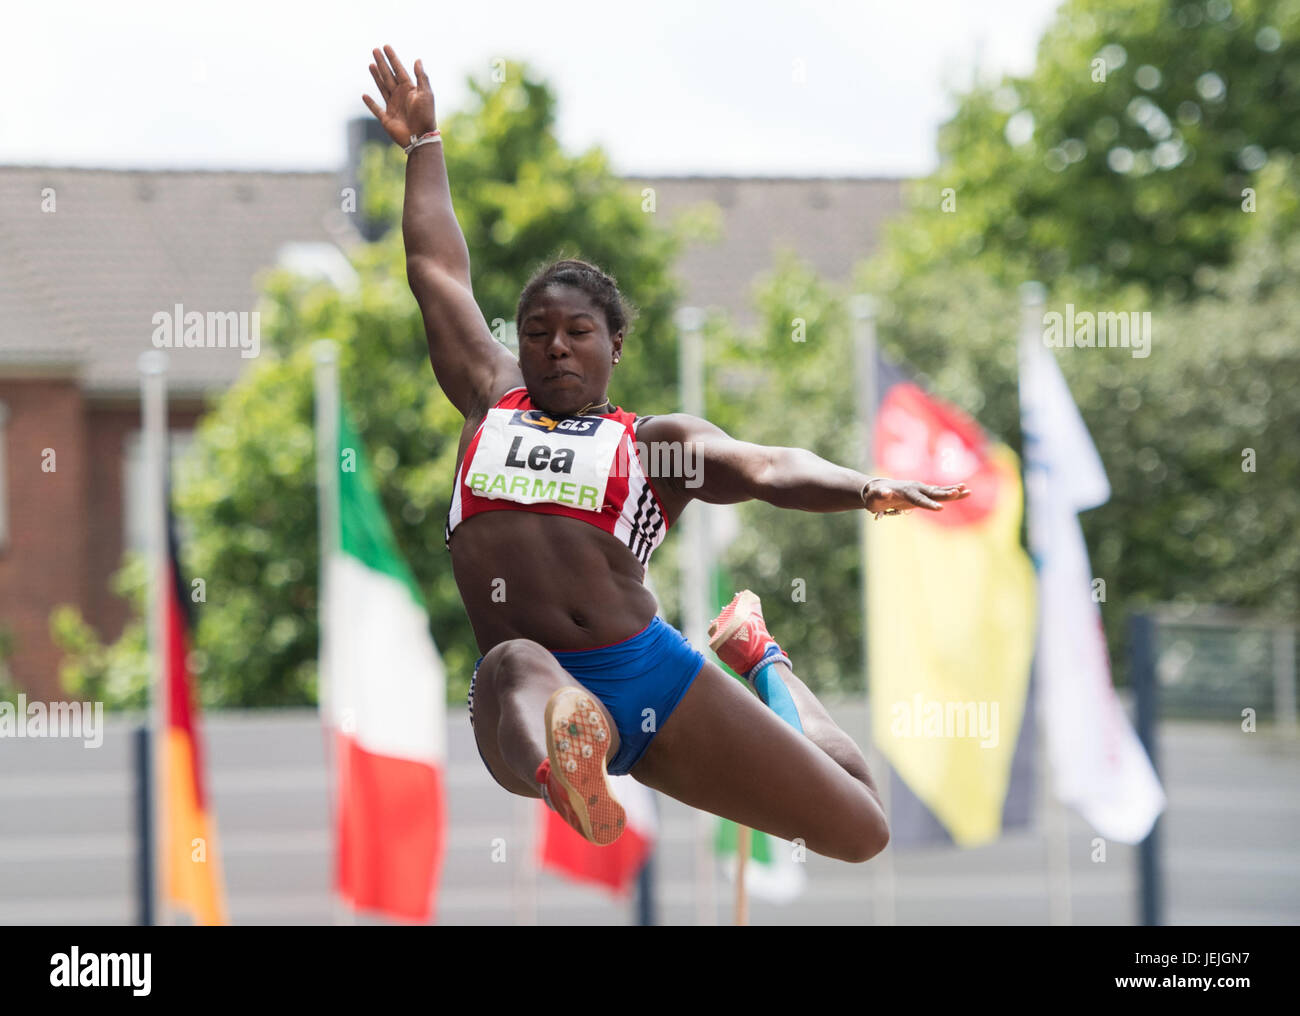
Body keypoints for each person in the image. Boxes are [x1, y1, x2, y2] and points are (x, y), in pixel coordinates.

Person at [363, 45, 970, 862]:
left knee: (859, 827)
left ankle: (760, 657)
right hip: (535, 688)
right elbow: (436, 269)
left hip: (648, 676)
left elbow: (765, 466)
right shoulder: (487, 395)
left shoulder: (653, 447)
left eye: (578, 335)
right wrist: (422, 146)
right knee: (511, 661)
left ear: (615, 344)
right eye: (537, 335)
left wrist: (863, 487)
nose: (555, 351)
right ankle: (568, 772)